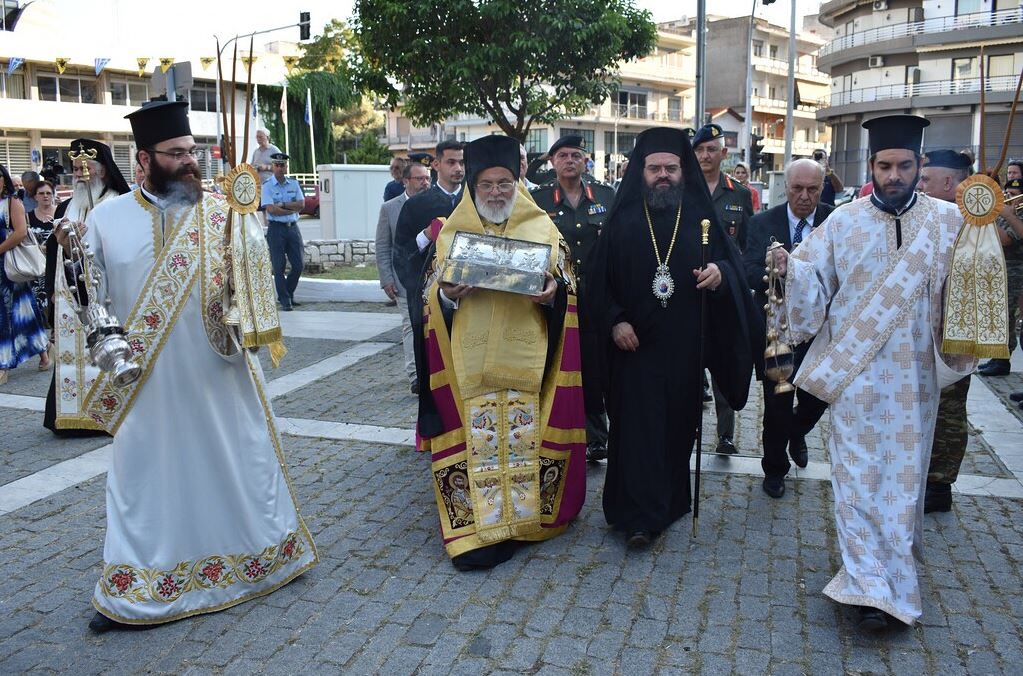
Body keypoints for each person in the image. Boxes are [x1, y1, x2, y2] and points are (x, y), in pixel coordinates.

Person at [53, 100, 316, 632]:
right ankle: (137, 588)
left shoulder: (222, 213)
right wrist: (78, 274)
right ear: (143, 160)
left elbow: (253, 285)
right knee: (144, 477)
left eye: (192, 152)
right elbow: (84, 296)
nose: (190, 162)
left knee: (237, 461)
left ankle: (262, 558)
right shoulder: (104, 219)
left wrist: (247, 276)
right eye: (176, 154)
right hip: (146, 381)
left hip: (218, 370)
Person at [771, 115, 975, 631]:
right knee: (857, 481)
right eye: (885, 165)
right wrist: (788, 268)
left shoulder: (950, 223)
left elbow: (967, 301)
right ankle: (865, 586)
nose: (894, 175)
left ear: (919, 164)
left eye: (905, 165)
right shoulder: (842, 222)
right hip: (855, 378)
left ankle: (894, 574)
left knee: (903, 486)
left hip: (915, 381)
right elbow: (811, 284)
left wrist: (984, 249)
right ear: (871, 166)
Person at [419, 134, 585, 570]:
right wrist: (448, 296)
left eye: (505, 183)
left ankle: (525, 524)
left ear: (518, 180)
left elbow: (568, 287)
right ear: (473, 185)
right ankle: (482, 528)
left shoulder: (543, 228)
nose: (496, 192)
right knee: (481, 441)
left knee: (521, 439)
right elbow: (429, 302)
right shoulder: (452, 233)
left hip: (526, 355)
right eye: (487, 184)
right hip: (469, 358)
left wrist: (553, 294)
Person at [589, 127, 758, 549]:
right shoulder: (622, 220)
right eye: (653, 168)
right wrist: (613, 321)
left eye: (670, 168)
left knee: (678, 429)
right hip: (633, 349)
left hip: (684, 348)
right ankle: (638, 517)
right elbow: (596, 284)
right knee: (637, 431)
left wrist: (720, 274)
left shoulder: (701, 216)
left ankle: (669, 501)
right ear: (639, 172)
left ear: (682, 171)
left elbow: (733, 267)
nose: (662, 175)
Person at [742, 159, 831, 498]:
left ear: (821, 189)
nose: (805, 196)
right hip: (774, 330)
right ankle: (775, 468)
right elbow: (748, 272)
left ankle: (797, 430)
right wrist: (774, 271)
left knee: (817, 395)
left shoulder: (834, 221)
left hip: (820, 331)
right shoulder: (762, 222)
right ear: (786, 188)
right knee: (777, 402)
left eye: (812, 189)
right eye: (798, 189)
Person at [531, 135, 616, 462]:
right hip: (557, 297)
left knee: (593, 366)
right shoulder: (539, 200)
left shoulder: (606, 196)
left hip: (596, 298)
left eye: (576, 155)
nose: (570, 160)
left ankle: (597, 436)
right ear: (553, 162)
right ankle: (555, 430)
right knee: (556, 361)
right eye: (563, 155)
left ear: (585, 161)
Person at [915, 150, 990, 512]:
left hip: (954, 328)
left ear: (948, 183)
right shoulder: (931, 217)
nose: (920, 185)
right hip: (926, 326)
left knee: (948, 404)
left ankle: (939, 485)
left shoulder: (971, 222)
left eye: (926, 179)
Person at [44, 138, 131, 437]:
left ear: (104, 171)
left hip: (106, 293)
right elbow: (56, 254)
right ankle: (73, 415)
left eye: (87, 168)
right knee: (73, 356)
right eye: (76, 168)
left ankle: (111, 410)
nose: (81, 174)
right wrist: (52, 294)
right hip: (72, 296)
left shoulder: (118, 202)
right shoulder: (68, 206)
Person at [392, 139, 465, 438]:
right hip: (429, 301)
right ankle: (437, 429)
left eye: (462, 162)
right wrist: (425, 236)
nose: (458, 168)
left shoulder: (474, 200)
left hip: (470, 298)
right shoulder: (416, 205)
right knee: (433, 363)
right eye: (451, 162)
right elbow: (401, 253)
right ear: (436, 165)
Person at [692, 123, 755, 455]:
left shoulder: (739, 194)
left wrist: (730, 277)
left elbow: (744, 249)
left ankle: (725, 435)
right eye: (700, 150)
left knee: (724, 361)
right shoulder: (683, 191)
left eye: (711, 149)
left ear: (724, 154)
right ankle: (687, 428)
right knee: (689, 364)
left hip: (725, 291)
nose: (705, 155)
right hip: (689, 290)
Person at [376, 160, 431, 392]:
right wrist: (386, 278)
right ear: (406, 181)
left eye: (428, 178)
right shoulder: (390, 208)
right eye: (420, 179)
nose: (426, 183)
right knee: (411, 324)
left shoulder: (434, 203)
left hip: (430, 276)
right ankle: (415, 375)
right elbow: (382, 245)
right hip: (402, 279)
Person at [0, 164, 50, 385]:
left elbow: (20, 232)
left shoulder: (12, 202)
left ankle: (3, 363)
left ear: (4, 180)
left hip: (10, 266)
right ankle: (43, 351)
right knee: (25, 309)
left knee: (10, 312)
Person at [976, 174, 1023, 378]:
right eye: (1007, 193)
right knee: (997, 316)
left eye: (1013, 194)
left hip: (1014, 270)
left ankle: (1003, 359)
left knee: (1007, 317)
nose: (1008, 197)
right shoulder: (1007, 213)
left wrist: (1001, 215)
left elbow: (1005, 240)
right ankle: (998, 357)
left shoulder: (1016, 215)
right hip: (998, 268)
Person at [261, 152, 306, 311]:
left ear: (286, 167)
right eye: (277, 165)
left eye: (283, 165)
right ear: (273, 166)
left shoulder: (294, 184)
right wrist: (289, 208)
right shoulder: (267, 186)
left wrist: (282, 205)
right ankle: (286, 300)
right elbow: (271, 209)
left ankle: (287, 293)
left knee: (299, 264)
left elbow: (301, 204)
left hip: (293, 228)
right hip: (276, 229)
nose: (280, 168)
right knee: (278, 266)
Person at [26, 179, 56, 358]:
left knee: (54, 303)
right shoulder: (28, 216)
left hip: (54, 267)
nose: (45, 196)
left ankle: (54, 338)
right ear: (35, 197)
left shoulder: (61, 213)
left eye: (48, 193)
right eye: (41, 193)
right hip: (35, 268)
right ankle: (42, 345)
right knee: (37, 307)